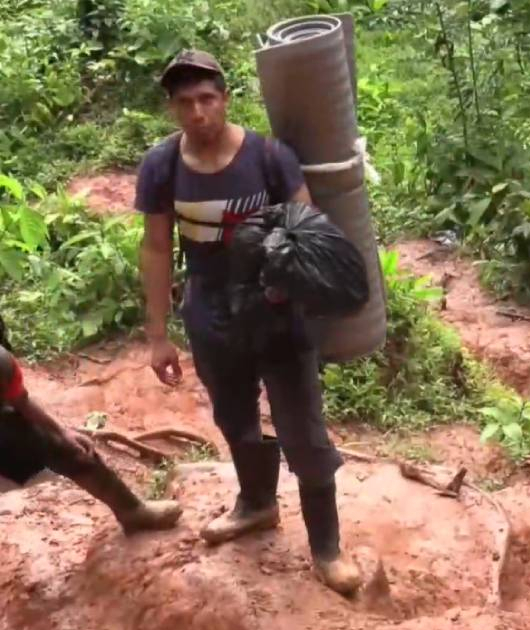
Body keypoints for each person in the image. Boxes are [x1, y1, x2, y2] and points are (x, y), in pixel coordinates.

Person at [134, 49, 362, 595]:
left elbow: (309, 228)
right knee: (234, 417)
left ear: (226, 98)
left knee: (302, 429)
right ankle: (257, 504)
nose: (198, 112)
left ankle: (326, 547)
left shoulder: (268, 157)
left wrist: (292, 284)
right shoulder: (162, 166)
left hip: (276, 308)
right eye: (185, 103)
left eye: (207, 99)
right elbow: (157, 247)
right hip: (209, 308)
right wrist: (159, 334)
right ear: (172, 109)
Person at [0, 332, 181, 533]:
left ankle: (132, 511)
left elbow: (21, 401)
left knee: (75, 450)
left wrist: (62, 433)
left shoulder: (2, 364)